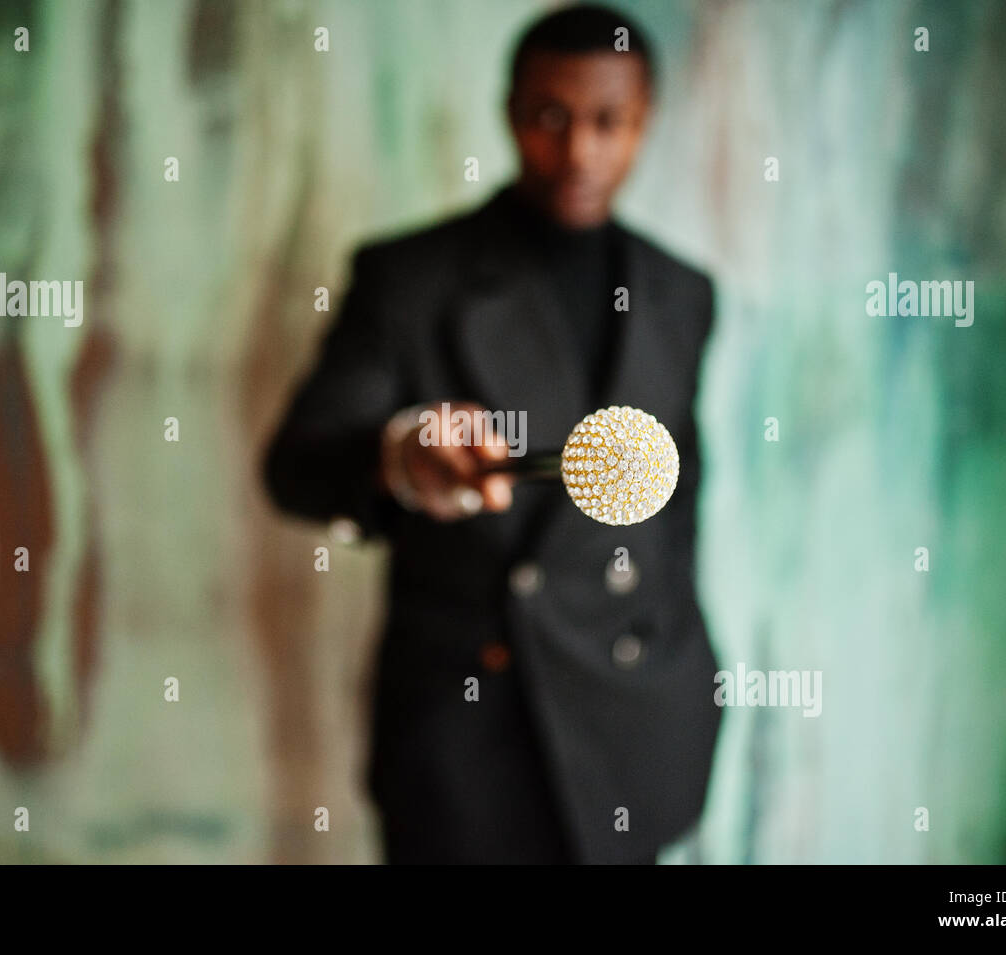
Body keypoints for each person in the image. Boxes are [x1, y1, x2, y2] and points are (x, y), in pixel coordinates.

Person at [263, 3, 721, 864]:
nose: (578, 151)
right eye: (551, 117)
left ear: (644, 121)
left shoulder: (680, 293)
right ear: (510, 111)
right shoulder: (408, 278)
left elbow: (676, 506)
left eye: (607, 121)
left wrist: (686, 684)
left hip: (634, 724)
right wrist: (399, 458)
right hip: (467, 738)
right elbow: (295, 466)